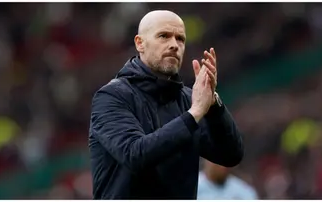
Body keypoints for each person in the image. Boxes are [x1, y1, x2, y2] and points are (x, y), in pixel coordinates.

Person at [89, 10, 244, 199]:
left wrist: (214, 105)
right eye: (163, 36)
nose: (174, 45)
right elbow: (135, 155)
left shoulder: (189, 99)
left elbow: (230, 156)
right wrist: (194, 114)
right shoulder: (111, 96)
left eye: (180, 39)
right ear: (140, 43)